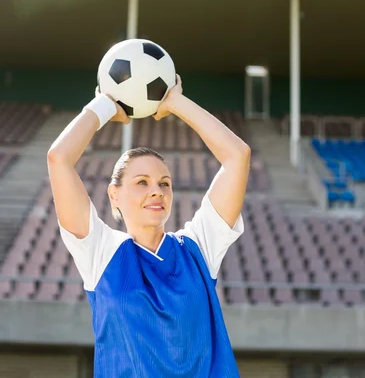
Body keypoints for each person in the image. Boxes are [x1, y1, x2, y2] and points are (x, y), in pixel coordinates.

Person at [47, 75, 251, 378]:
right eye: (142, 182)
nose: (157, 191)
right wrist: (104, 105)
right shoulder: (100, 253)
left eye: (164, 184)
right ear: (114, 195)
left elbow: (238, 156)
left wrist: (176, 103)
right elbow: (58, 158)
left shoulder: (198, 248)